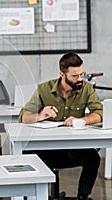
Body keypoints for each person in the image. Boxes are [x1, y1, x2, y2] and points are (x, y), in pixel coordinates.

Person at [18, 53, 103, 200]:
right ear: (62, 75)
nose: (80, 79)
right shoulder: (44, 89)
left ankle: (82, 197)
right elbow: (23, 117)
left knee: (93, 158)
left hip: (73, 148)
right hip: (46, 149)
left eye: (82, 74)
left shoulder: (87, 89)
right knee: (25, 155)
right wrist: (39, 116)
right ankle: (35, 197)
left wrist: (81, 120)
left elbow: (99, 114)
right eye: (75, 76)